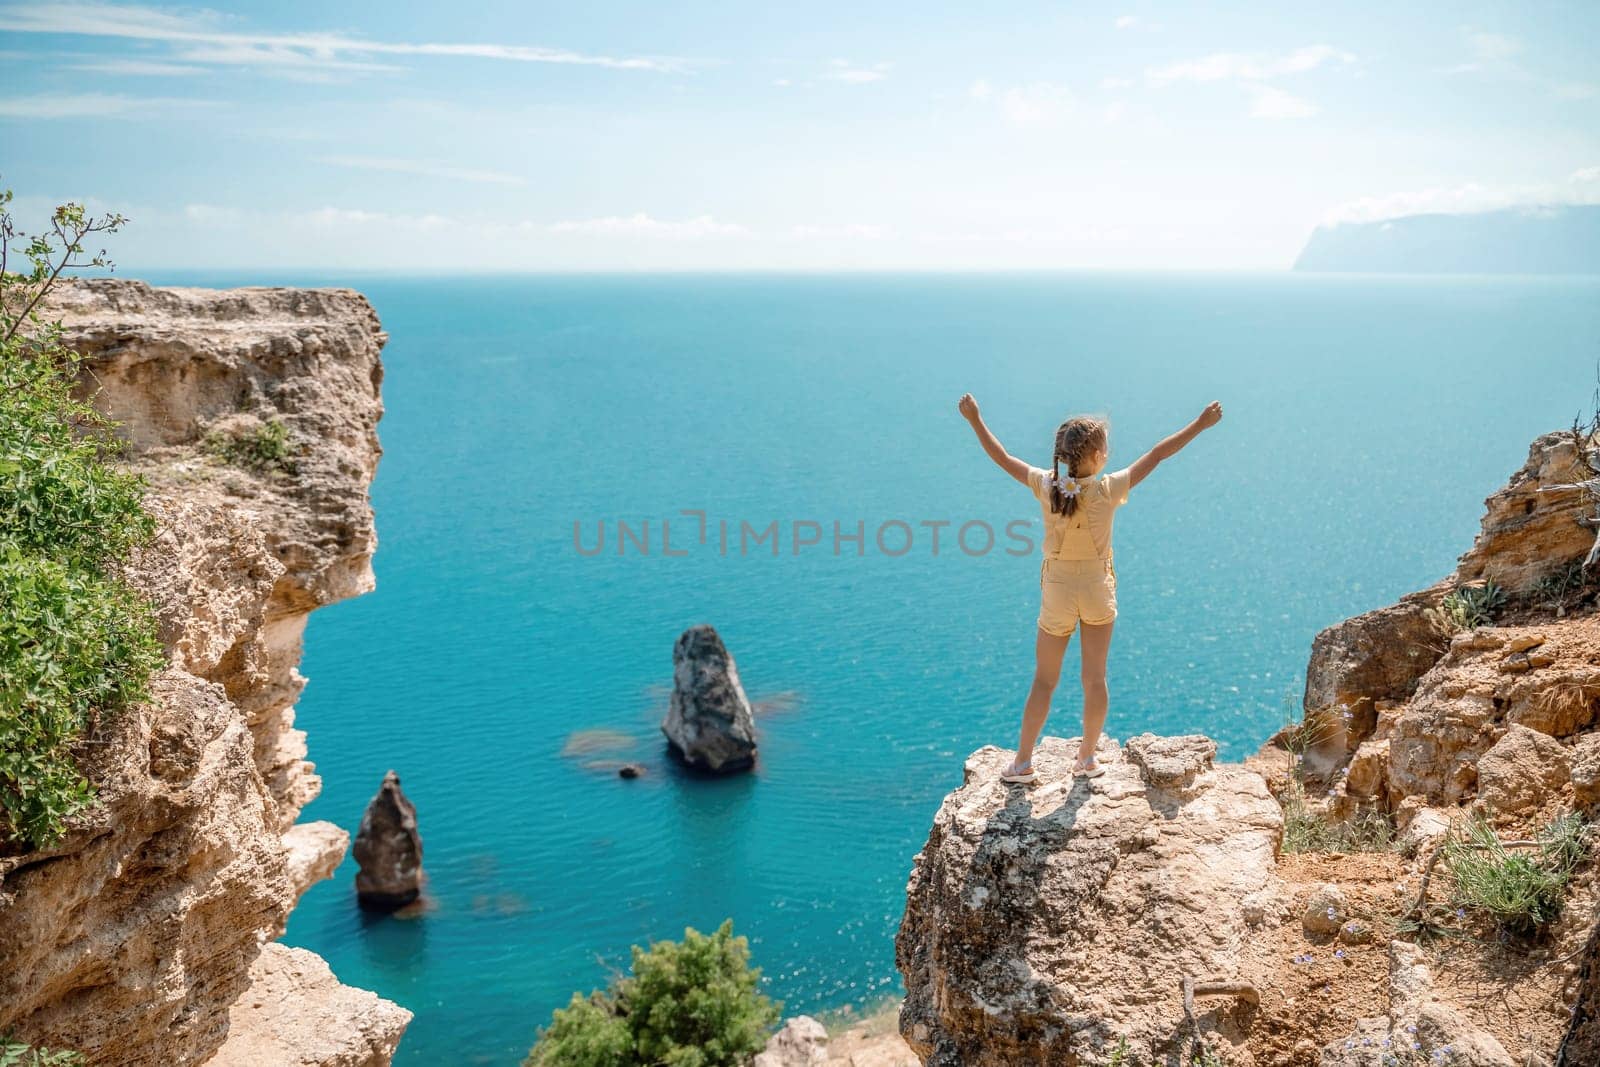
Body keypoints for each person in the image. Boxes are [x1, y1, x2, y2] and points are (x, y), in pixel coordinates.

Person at [957, 394, 1223, 783]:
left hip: (1057, 591)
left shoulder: (1046, 486)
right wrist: (1200, 424)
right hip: (1098, 589)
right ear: (1097, 454)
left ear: (1063, 454)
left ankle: (1023, 763)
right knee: (1094, 678)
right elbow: (1158, 453)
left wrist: (975, 419)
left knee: (1045, 680)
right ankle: (1085, 759)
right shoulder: (1108, 489)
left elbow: (1002, 457)